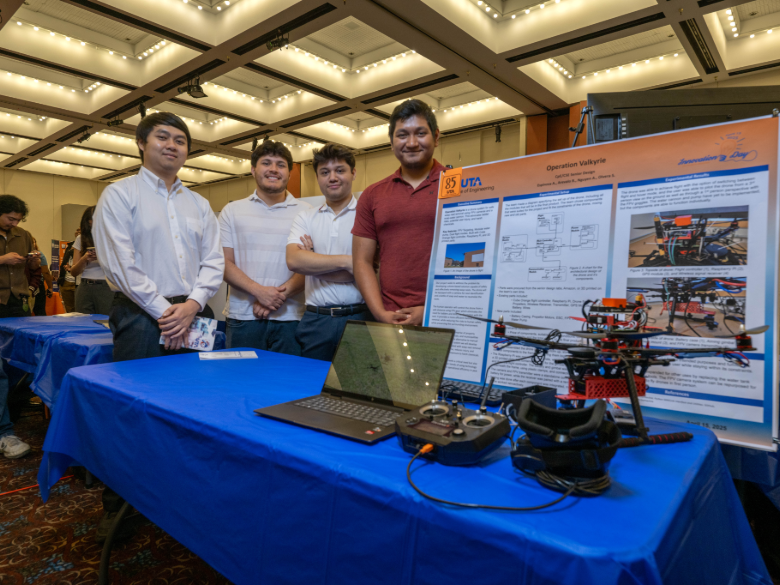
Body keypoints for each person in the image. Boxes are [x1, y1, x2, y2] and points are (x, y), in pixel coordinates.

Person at [92, 112, 224, 543]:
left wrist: (191, 305)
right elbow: (119, 263)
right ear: (142, 144)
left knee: (190, 409)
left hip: (193, 312)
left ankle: (178, 494)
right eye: (163, 137)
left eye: (181, 140)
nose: (173, 145)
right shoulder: (119, 194)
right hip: (139, 315)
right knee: (135, 410)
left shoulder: (199, 203)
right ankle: (121, 506)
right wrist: (164, 311)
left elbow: (213, 262)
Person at [352, 99, 445, 326]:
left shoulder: (464, 186)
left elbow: (479, 258)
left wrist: (433, 309)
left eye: (420, 133)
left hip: (448, 315)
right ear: (391, 142)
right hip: (391, 318)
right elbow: (362, 261)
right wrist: (380, 313)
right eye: (402, 135)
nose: (412, 143)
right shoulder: (372, 195)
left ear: (436, 136)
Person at [219, 140, 309, 355]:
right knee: (242, 383)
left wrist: (276, 298)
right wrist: (259, 292)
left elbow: (311, 265)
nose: (273, 170)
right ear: (253, 169)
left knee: (288, 385)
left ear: (289, 172)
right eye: (266, 163)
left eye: (280, 164)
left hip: (292, 317)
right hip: (243, 317)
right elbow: (223, 263)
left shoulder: (308, 212)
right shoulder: (232, 211)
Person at [286, 143, 371, 361]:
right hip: (316, 321)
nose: (332, 177)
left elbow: (372, 268)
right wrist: (349, 262)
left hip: (360, 318)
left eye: (339, 170)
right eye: (325, 172)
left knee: (357, 390)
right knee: (311, 389)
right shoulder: (305, 217)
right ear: (317, 177)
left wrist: (313, 263)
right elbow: (295, 260)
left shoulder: (368, 215)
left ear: (353, 173)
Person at [0, 195, 41, 459]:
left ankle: (11, 410)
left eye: (18, 219)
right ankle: (5, 431)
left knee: (21, 362)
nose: (14, 223)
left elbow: (33, 268)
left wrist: (33, 261)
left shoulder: (23, 234)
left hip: (18, 304)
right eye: (10, 218)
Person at [70, 206, 113, 315]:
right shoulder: (80, 239)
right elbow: (73, 272)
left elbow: (120, 266)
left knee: (105, 323)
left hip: (106, 286)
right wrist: (84, 259)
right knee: (82, 323)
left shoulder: (113, 238)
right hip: (84, 286)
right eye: (90, 226)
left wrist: (101, 258)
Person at [58, 230, 78, 313]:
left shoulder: (87, 247)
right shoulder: (70, 246)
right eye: (77, 230)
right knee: (69, 309)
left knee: (79, 310)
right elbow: (63, 263)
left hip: (77, 283)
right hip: (65, 282)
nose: (77, 232)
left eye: (80, 230)